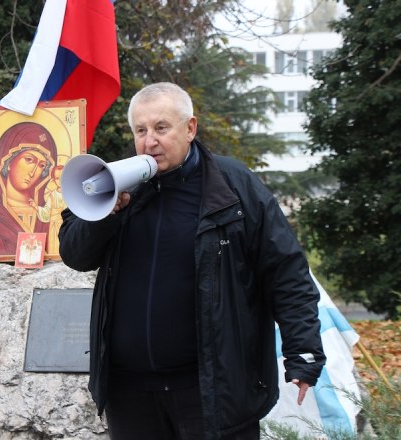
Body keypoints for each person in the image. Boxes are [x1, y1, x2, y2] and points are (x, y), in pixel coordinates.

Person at [58, 82, 326, 439]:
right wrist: (107, 213)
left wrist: (303, 350)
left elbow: (285, 272)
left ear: (190, 128)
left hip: (211, 391)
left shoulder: (234, 187)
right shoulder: (118, 187)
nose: (149, 141)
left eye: (161, 127)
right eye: (140, 130)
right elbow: (75, 256)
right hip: (131, 394)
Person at [0, 122, 56, 258]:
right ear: (8, 161)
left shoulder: (52, 214)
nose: (34, 172)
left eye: (41, 165)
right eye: (29, 160)